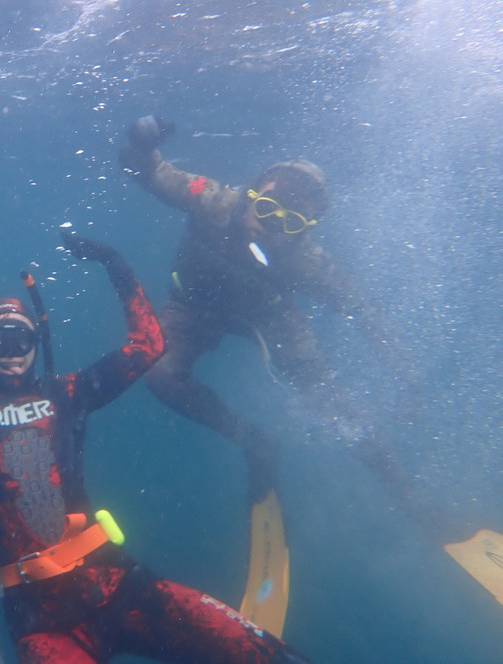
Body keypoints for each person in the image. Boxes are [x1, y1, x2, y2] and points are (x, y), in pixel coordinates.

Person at [0, 220, 312, 664]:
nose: (12, 349)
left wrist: (114, 263)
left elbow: (148, 344)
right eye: (0, 338)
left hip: (120, 585)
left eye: (22, 337)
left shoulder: (67, 395)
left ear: (37, 341)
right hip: (43, 626)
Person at [118, 115, 439, 534]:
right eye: (266, 210)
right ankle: (252, 440)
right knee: (157, 373)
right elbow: (145, 169)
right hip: (191, 310)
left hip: (268, 316)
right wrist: (140, 143)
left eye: (288, 224)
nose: (270, 229)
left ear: (305, 230)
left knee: (334, 403)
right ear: (249, 195)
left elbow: (367, 314)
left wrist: (406, 378)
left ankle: (411, 500)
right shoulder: (210, 199)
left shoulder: (306, 260)